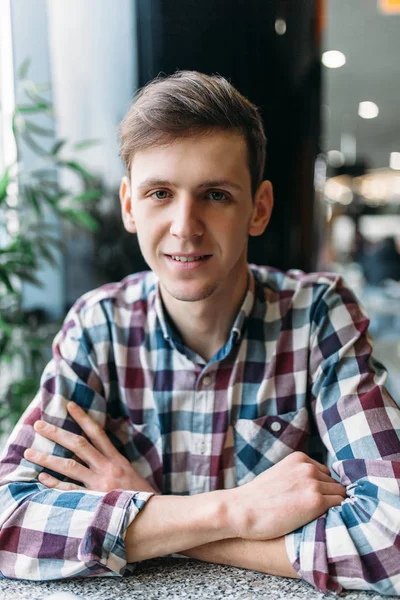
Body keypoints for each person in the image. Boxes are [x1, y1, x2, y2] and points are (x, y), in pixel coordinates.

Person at [0, 71, 399, 595]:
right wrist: (237, 510)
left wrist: (156, 516)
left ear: (258, 209)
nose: (185, 226)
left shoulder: (318, 314)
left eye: (215, 194)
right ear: (129, 206)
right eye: (160, 193)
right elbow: (11, 520)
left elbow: (391, 539)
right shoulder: (98, 326)